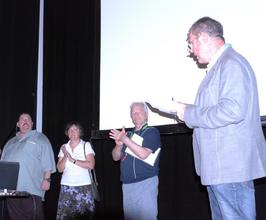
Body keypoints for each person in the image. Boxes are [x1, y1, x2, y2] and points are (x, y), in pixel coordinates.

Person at [171, 16, 266, 219]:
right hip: (221, 167)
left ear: (204, 37)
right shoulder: (222, 65)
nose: (191, 51)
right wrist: (186, 110)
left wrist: (189, 113)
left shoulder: (231, 63)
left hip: (229, 167)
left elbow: (232, 110)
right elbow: (221, 108)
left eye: (191, 43)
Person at [109, 102, 161, 220]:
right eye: (133, 113)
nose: (135, 114)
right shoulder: (128, 134)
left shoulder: (152, 132)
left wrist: (125, 139)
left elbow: (143, 154)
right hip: (127, 184)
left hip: (146, 182)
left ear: (146, 114)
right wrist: (118, 145)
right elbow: (115, 157)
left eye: (139, 112)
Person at [0, 113, 56, 220]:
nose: (25, 121)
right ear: (18, 124)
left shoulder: (40, 138)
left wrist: (47, 179)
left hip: (31, 190)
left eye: (28, 119)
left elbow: (47, 158)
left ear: (32, 123)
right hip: (11, 191)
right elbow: (2, 164)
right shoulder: (10, 142)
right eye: (22, 119)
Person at [56, 121, 96, 220]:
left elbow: (91, 165)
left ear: (80, 132)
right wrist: (66, 155)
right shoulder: (64, 147)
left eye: (75, 129)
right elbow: (59, 169)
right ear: (67, 133)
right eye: (70, 130)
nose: (72, 132)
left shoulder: (86, 145)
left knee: (84, 217)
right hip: (66, 187)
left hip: (84, 187)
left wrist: (73, 160)